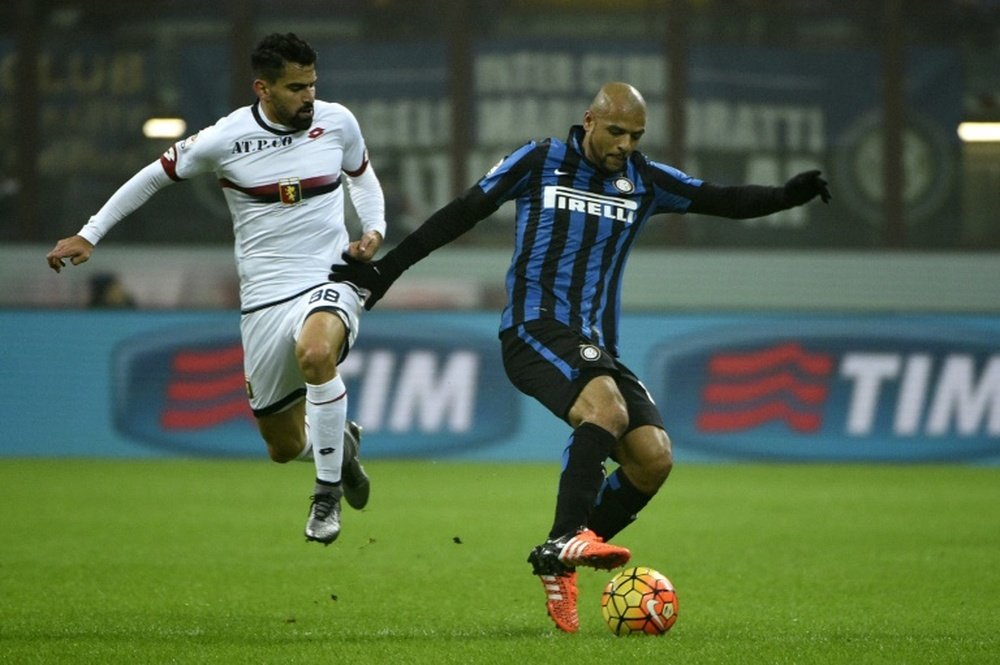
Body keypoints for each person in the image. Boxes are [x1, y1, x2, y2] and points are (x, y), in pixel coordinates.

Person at [329, 82, 831, 632]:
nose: (625, 145)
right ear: (589, 120)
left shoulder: (644, 179)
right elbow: (461, 213)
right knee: (607, 411)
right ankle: (568, 536)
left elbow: (723, 199)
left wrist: (787, 194)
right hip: (534, 329)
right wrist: (386, 272)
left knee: (652, 457)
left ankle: (556, 555)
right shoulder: (540, 159)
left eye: (636, 136)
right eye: (616, 131)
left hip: (596, 347)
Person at [46, 33, 384, 546]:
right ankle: (341, 444)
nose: (308, 97)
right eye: (295, 88)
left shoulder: (337, 122)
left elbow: (362, 177)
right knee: (282, 444)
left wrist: (374, 230)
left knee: (317, 354)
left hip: (330, 278)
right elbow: (151, 177)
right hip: (265, 298)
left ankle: (325, 495)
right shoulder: (223, 139)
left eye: (312, 84)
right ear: (263, 88)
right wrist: (90, 233)